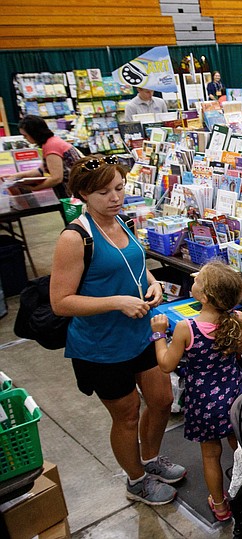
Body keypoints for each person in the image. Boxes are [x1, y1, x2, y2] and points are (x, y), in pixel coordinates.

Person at [50, 155, 185, 506]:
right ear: (82, 194)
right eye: (104, 192)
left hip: (140, 334)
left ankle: (151, 458)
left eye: (120, 188)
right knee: (126, 416)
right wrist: (117, 302)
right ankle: (136, 480)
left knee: (162, 400)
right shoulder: (75, 237)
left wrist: (153, 284)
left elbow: (134, 265)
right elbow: (61, 302)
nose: (115, 197)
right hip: (101, 347)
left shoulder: (120, 221)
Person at [150, 261, 242, 522]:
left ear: (204, 296)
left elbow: (166, 365)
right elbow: (241, 350)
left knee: (210, 454)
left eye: (197, 280)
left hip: (206, 402)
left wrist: (159, 335)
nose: (192, 281)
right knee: (240, 447)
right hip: (237, 395)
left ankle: (219, 506)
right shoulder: (237, 319)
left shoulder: (186, 328)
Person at [1, 115, 81, 199]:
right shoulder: (51, 142)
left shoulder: (51, 146)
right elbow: (40, 171)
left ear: (34, 133)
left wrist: (35, 188)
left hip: (73, 192)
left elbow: (56, 178)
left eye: (25, 136)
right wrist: (15, 176)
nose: (25, 139)